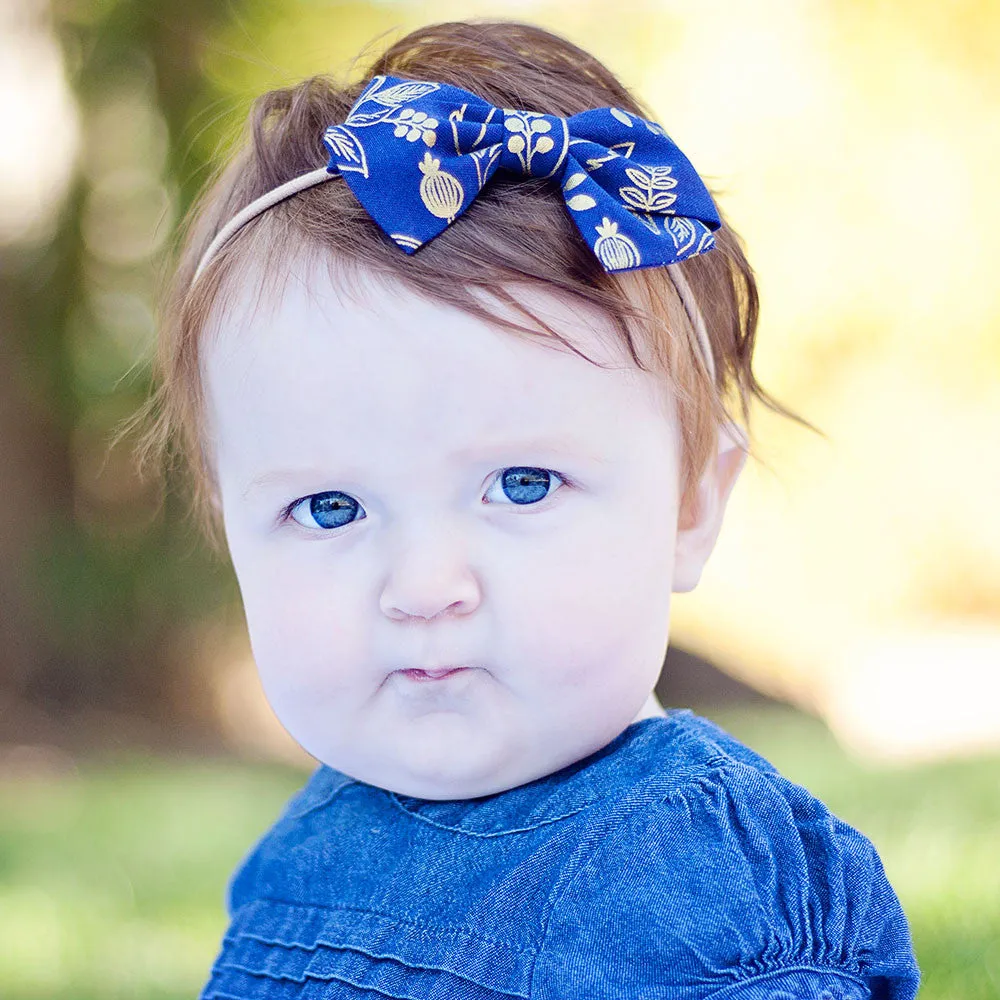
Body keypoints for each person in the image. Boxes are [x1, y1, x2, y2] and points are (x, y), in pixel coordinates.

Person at [136, 18, 921, 1000]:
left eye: (521, 485)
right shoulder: (296, 859)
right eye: (329, 507)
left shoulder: (704, 883)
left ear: (690, 506)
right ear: (228, 531)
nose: (424, 587)